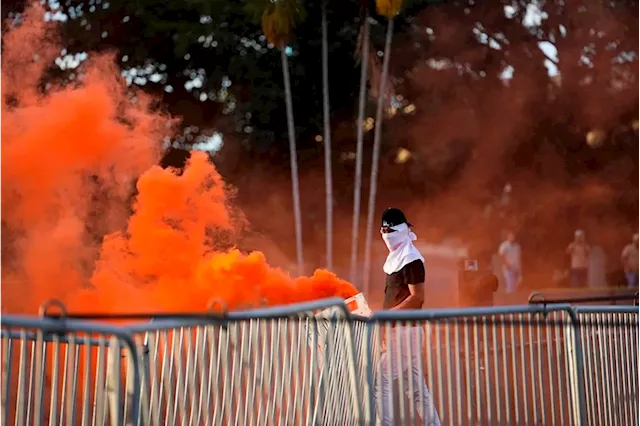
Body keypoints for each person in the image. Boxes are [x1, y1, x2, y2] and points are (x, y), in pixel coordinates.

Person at [376, 207, 441, 426]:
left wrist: (387, 316)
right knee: (415, 387)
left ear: (402, 229)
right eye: (383, 229)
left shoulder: (412, 260)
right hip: (401, 331)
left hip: (406, 331)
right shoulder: (395, 258)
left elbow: (417, 298)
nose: (386, 234)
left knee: (380, 379)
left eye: (390, 229)